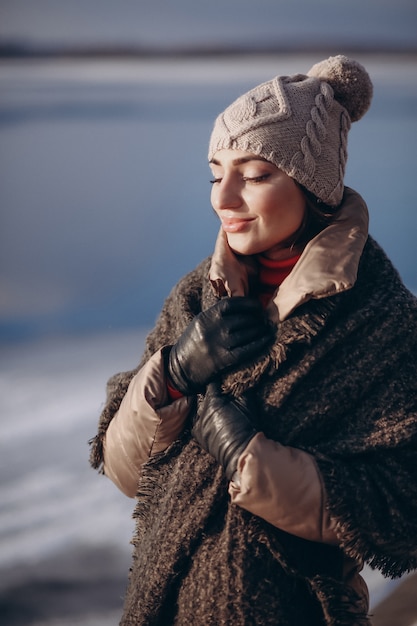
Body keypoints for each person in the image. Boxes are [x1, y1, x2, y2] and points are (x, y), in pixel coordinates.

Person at [90, 55, 417, 625]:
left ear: (313, 185)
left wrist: (251, 460)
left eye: (256, 174)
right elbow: (126, 473)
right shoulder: (197, 295)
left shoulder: (379, 317)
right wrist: (168, 377)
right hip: (163, 607)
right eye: (216, 173)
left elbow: (400, 508)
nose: (223, 197)